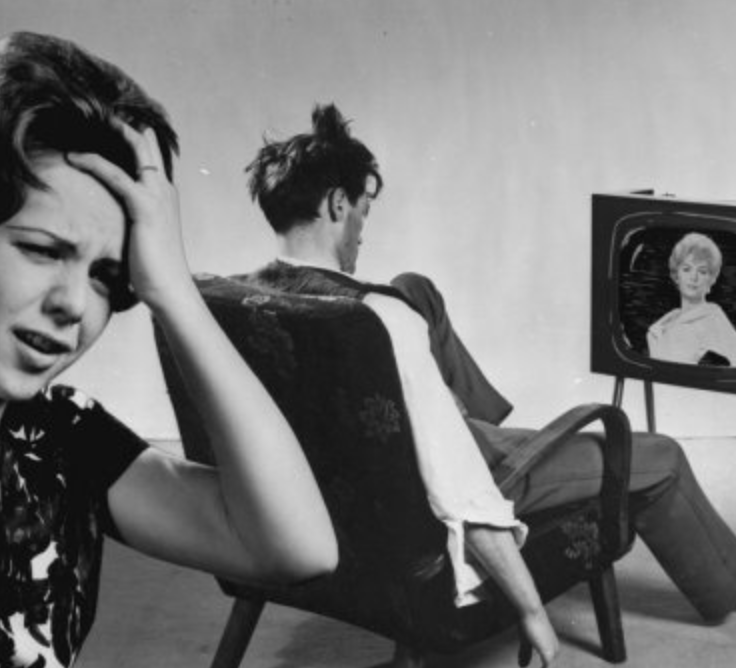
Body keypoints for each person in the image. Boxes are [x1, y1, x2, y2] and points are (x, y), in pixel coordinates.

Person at [0, 32, 338, 668]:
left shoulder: (62, 436)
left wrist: (174, 293)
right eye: (42, 250)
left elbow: (297, 549)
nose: (73, 304)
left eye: (106, 276)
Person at [241, 104, 736, 667]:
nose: (362, 233)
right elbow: (463, 493)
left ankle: (464, 415)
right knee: (663, 456)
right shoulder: (379, 321)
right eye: (363, 212)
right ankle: (728, 587)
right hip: (471, 476)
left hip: (347, 483)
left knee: (413, 287)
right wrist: (531, 609)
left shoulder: (235, 301)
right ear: (336, 204)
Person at [647, 232, 736, 365]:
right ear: (677, 275)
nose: (693, 277)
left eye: (702, 271)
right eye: (687, 269)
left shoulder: (714, 319)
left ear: (711, 279)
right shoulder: (664, 324)